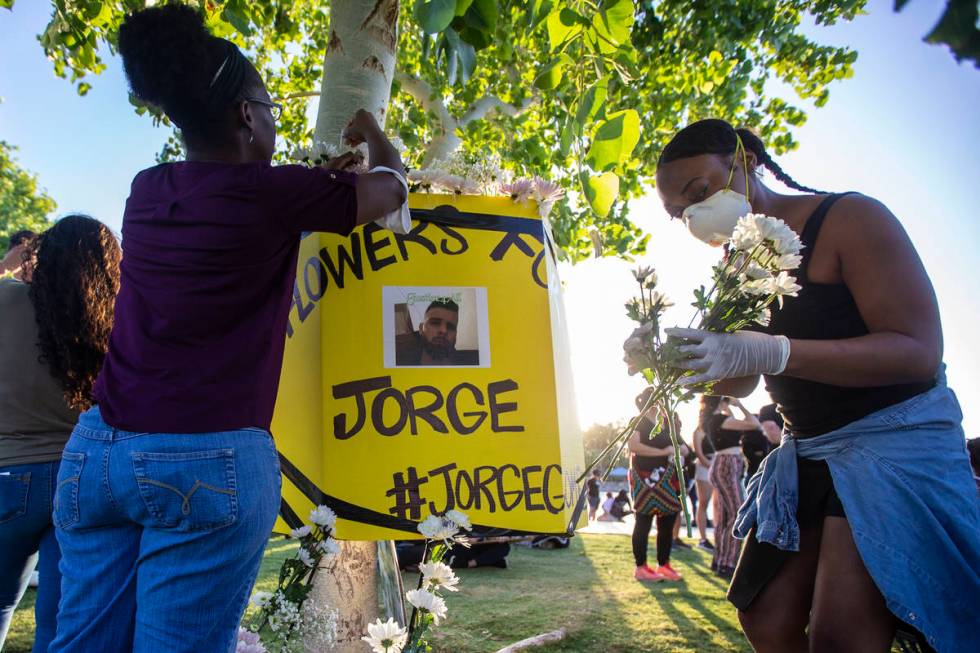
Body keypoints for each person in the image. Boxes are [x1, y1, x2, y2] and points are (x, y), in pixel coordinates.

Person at [49, 5, 407, 653]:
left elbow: (238, 220)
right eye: (269, 107)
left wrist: (314, 190)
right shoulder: (275, 193)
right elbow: (391, 191)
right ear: (246, 115)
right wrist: (374, 135)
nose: (274, 119)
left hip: (97, 454)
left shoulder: (147, 189)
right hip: (203, 461)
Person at [656, 118, 979, 653]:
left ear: (743, 160)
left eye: (700, 192)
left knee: (842, 634)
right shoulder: (739, 263)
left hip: (892, 441)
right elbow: (740, 377)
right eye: (680, 213)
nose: (694, 215)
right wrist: (685, 356)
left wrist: (777, 349)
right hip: (808, 449)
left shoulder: (849, 218)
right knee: (765, 615)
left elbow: (919, 351)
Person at [0, 216, 120, 653]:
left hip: (7, 476)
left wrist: (14, 262)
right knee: (60, 624)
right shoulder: (111, 324)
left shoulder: (5, 298)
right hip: (80, 480)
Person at [629, 390, 686, 583]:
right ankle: (641, 567)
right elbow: (633, 446)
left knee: (667, 523)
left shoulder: (667, 423)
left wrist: (676, 450)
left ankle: (663, 564)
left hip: (668, 481)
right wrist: (662, 451)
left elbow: (684, 447)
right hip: (645, 480)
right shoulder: (639, 421)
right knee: (643, 522)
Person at [701, 396, 760, 578]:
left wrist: (729, 406)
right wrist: (740, 404)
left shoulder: (713, 420)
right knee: (736, 514)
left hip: (722, 464)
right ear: (721, 402)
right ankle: (728, 562)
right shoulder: (720, 420)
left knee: (725, 516)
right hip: (727, 464)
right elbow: (753, 424)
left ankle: (720, 560)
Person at [394, 299, 479, 366]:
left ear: (456, 335)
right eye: (435, 323)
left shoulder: (473, 363)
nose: (444, 330)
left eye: (450, 327)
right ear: (421, 329)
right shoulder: (400, 363)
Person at [691, 424, 715, 552]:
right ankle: (703, 539)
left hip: (719, 464)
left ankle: (719, 537)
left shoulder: (719, 424)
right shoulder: (699, 430)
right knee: (703, 502)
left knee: (719, 504)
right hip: (705, 466)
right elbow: (699, 453)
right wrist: (712, 467)